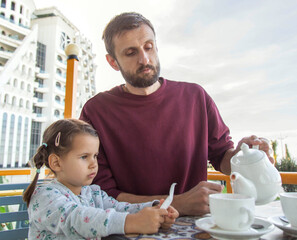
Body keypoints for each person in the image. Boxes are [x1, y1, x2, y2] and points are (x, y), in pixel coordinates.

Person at [80, 12, 274, 216]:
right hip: (127, 227)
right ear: (112, 62)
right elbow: (100, 194)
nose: (144, 59)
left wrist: (242, 156)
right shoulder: (95, 111)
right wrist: (177, 204)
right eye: (130, 52)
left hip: (196, 227)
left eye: (149, 47)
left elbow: (222, 157)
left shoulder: (196, 97)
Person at [23, 119, 178, 239]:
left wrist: (154, 209)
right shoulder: (45, 197)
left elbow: (120, 208)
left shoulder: (92, 193)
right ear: (56, 163)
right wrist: (133, 222)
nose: (94, 164)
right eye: (84, 157)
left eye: (95, 156)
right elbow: (79, 219)